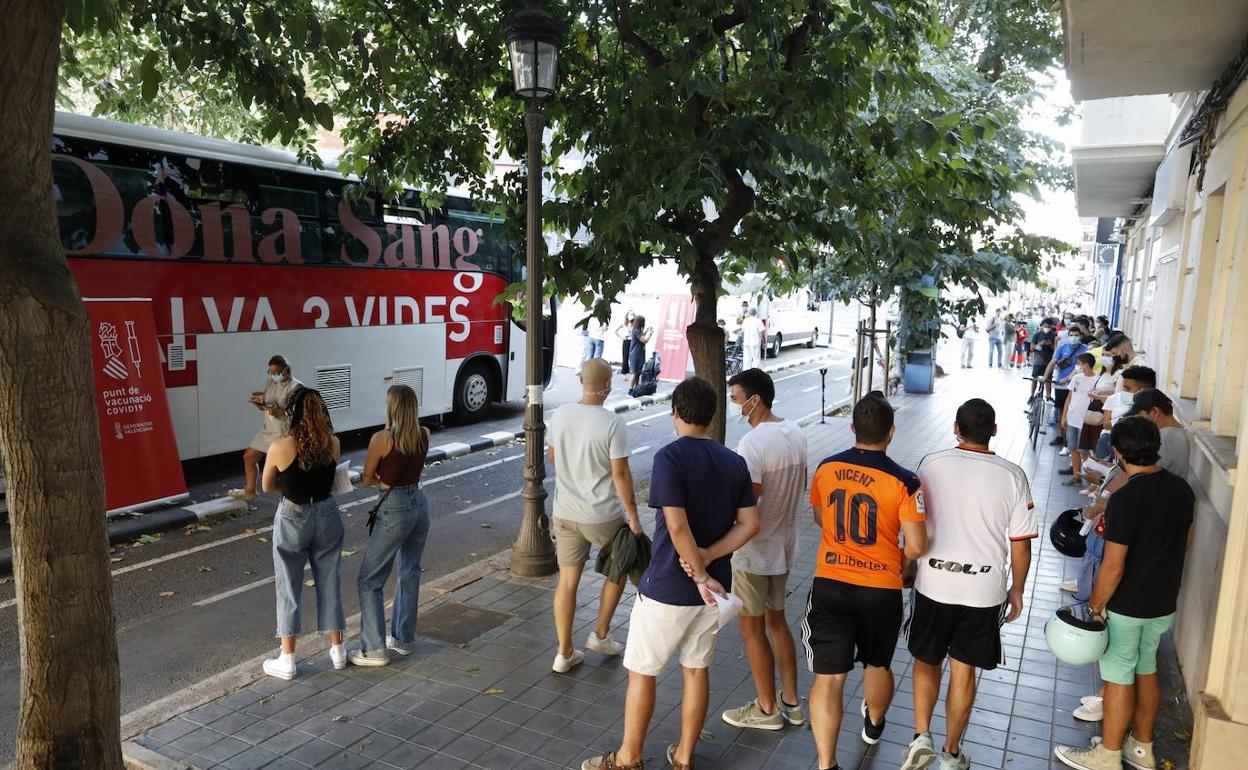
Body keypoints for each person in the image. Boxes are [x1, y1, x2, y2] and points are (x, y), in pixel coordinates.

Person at [583, 377, 760, 770]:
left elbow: (676, 527)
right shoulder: (734, 462)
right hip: (715, 593)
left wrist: (698, 573)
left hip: (669, 587)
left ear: (676, 412)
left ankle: (628, 759)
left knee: (642, 673)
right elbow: (750, 524)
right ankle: (683, 758)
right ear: (712, 415)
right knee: (696, 671)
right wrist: (710, 560)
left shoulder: (670, 458)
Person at [1054, 417, 1194, 770]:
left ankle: (1108, 752)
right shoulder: (1181, 490)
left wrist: (1096, 605)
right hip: (1162, 602)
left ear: (1117, 452)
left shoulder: (1126, 498)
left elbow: (1113, 565)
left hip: (1127, 603)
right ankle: (1141, 747)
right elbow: (1185, 542)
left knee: (1117, 675)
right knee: (1145, 669)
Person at [902, 398, 1035, 770]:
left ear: (955, 428)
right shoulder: (1013, 475)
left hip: (933, 583)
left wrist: (909, 566)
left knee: (926, 660)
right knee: (964, 670)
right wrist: (1018, 590)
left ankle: (921, 735)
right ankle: (951, 752)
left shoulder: (931, 464)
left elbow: (913, 520)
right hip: (983, 591)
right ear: (993, 431)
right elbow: (1020, 544)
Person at [804, 393, 927, 770]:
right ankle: (873, 724)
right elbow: (917, 545)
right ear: (891, 432)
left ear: (852, 427)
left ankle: (827, 764)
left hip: (831, 583)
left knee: (829, 678)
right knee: (877, 664)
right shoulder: (906, 482)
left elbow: (820, 518)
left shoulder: (826, 468)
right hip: (881, 589)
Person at [716, 369, 808, 731]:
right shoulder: (795, 432)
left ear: (756, 399)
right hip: (783, 547)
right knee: (777, 621)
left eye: (738, 399)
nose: (736, 406)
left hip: (754, 552)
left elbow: (747, 500)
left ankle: (767, 709)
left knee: (751, 629)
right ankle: (792, 702)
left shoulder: (752, 445)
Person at [547, 358, 641, 673]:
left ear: (581, 382)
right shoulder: (612, 423)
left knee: (567, 582)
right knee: (621, 566)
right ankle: (600, 633)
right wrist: (633, 515)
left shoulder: (559, 415)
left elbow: (553, 456)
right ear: (606, 385)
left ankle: (564, 652)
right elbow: (621, 474)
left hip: (565, 511)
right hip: (602, 514)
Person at [260, 388, 346, 679]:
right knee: (330, 578)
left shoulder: (280, 447)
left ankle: (288, 658)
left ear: (292, 414)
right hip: (327, 514)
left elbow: (267, 486)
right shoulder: (332, 443)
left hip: (293, 516)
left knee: (289, 585)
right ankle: (338, 651)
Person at [350, 384, 432, 666]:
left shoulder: (381, 439)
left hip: (394, 507)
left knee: (369, 580)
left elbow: (368, 477)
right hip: (420, 504)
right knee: (409, 570)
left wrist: (380, 481)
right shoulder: (424, 434)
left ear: (392, 407)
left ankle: (373, 649)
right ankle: (403, 638)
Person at [231, 355, 301, 501]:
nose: (273, 376)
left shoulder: (296, 387)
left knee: (281, 470)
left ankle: (293, 496)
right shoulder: (270, 382)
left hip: (284, 432)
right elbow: (267, 402)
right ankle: (250, 491)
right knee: (249, 457)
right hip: (268, 428)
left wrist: (276, 411)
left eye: (276, 372)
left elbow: (296, 412)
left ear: (286, 370)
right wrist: (260, 404)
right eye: (270, 372)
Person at [1058, 354, 1110, 487]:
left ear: (1087, 364)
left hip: (1086, 420)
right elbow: (1069, 398)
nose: (1079, 366)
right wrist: (1064, 416)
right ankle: (1076, 476)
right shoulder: (1076, 378)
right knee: (1073, 448)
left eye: (1080, 363)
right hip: (1072, 418)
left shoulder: (1097, 380)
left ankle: (1091, 480)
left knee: (1085, 450)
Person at [1046, 328, 1090, 445]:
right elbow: (1053, 362)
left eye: (1076, 335)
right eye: (1071, 335)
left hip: (1078, 386)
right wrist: (1046, 377)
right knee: (1061, 410)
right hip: (1062, 385)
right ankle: (1060, 436)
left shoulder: (1085, 349)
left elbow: (1079, 368)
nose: (1073, 337)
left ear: (1080, 336)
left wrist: (1067, 378)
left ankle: (1071, 440)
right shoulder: (1063, 347)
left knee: (1073, 410)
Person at [1028, 318, 1057, 399]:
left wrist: (1051, 345)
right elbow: (1031, 348)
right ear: (1042, 325)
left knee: (1048, 379)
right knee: (1035, 379)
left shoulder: (1054, 335)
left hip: (1049, 361)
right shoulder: (1037, 335)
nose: (1047, 328)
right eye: (1045, 326)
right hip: (1038, 361)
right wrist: (1039, 345)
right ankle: (1032, 395)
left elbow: (1056, 349)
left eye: (1049, 326)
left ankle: (1048, 396)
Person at [628, 315, 654, 392]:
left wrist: (647, 332)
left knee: (638, 372)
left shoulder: (638, 330)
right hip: (636, 354)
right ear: (641, 322)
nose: (645, 323)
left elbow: (642, 336)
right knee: (635, 372)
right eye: (644, 322)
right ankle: (630, 389)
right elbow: (644, 340)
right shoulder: (637, 331)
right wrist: (649, 334)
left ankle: (636, 387)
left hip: (639, 353)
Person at [741, 307, 766, 371]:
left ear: (749, 313)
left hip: (746, 343)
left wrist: (743, 341)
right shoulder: (758, 321)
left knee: (747, 359)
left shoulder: (745, 321)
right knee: (756, 359)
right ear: (755, 313)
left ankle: (746, 373)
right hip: (755, 342)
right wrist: (764, 342)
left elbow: (742, 332)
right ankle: (755, 373)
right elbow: (763, 332)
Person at [616, 310, 637, 377]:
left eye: (632, 314)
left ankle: (632, 372)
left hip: (632, 341)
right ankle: (624, 373)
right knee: (625, 357)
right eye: (630, 314)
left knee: (633, 357)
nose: (631, 315)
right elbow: (616, 331)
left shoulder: (635, 324)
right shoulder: (624, 323)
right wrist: (622, 337)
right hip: (626, 340)